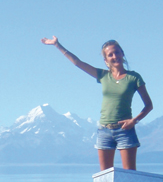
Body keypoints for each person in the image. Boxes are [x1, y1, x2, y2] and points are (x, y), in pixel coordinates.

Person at [41, 36, 153, 170]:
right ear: (106, 60)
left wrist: (134, 120)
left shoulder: (134, 77)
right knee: (104, 177)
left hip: (125, 130)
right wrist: (57, 45)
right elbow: (77, 62)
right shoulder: (103, 75)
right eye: (110, 55)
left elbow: (149, 105)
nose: (115, 56)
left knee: (129, 175)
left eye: (117, 52)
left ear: (122, 54)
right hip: (104, 131)